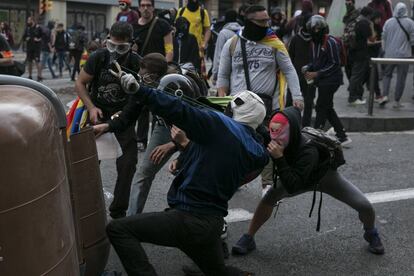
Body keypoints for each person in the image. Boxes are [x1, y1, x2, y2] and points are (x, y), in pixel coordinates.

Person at [95, 72, 268, 274]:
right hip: (211, 223)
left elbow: (179, 108)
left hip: (189, 218)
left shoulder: (220, 126)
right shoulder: (257, 150)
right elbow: (215, 154)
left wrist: (141, 91)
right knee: (217, 272)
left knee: (118, 229)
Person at [232, 107, 385, 256]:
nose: (274, 137)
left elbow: (293, 186)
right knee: (269, 197)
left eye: (279, 132)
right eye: (272, 131)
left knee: (365, 206)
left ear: (291, 131)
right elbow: (257, 129)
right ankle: (249, 237)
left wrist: (279, 158)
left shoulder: (308, 150)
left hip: (324, 178)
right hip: (295, 175)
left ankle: (371, 233)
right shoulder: (276, 137)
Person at [217, 5, 303, 197]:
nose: (267, 25)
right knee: (235, 145)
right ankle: (233, 178)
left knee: (268, 142)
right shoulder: (231, 44)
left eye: (267, 21)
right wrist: (222, 98)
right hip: (238, 107)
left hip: (266, 106)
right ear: (249, 22)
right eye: (262, 22)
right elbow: (223, 76)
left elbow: (289, 70)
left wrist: (297, 96)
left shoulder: (275, 43)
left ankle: (267, 185)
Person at [75, 22, 140, 219]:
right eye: (112, 46)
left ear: (131, 45)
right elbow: (80, 83)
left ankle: (118, 212)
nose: (116, 52)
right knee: (89, 163)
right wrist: (91, 107)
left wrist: (120, 119)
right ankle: (85, 208)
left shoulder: (136, 62)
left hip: (123, 118)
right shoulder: (98, 57)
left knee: (128, 164)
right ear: (107, 40)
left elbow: (138, 100)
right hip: (98, 115)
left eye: (122, 48)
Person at [302, 15, 351, 145]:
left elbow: (335, 63)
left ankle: (316, 134)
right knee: (327, 107)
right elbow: (315, 61)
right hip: (322, 79)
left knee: (321, 106)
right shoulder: (314, 43)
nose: (315, 33)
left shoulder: (330, 42)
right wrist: (308, 67)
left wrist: (317, 73)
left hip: (332, 80)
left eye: (317, 30)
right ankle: (342, 136)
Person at [134, 0, 174, 152]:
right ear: (138, 8)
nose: (145, 8)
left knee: (157, 107)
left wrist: (163, 69)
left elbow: (169, 50)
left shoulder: (162, 25)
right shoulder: (134, 27)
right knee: (141, 106)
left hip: (158, 73)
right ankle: (140, 139)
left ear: (153, 7)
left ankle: (155, 141)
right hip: (140, 73)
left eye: (148, 5)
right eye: (143, 5)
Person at [380, 2, 414, 108]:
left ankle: (385, 95)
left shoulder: (388, 22)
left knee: (387, 75)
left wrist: (384, 50)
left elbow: (383, 37)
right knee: (401, 78)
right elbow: (413, 40)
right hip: (404, 56)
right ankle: (397, 101)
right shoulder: (410, 23)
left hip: (389, 54)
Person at [288, 13, 315, 127]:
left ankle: (301, 125)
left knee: (306, 102)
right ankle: (296, 124)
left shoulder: (314, 38)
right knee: (294, 102)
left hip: (305, 75)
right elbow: (290, 57)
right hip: (300, 76)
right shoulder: (297, 39)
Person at [348, 7, 375, 105]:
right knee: (357, 76)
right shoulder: (364, 23)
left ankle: (356, 96)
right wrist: (371, 26)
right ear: (368, 15)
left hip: (353, 52)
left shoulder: (356, 21)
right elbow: (372, 39)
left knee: (356, 75)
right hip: (361, 53)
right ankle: (353, 98)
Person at [176, 0, 211, 74]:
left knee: (197, 75)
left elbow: (207, 30)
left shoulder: (203, 12)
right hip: (182, 50)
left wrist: (204, 44)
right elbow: (176, 27)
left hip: (197, 51)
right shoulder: (181, 11)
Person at [211, 10, 241, 85]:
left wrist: (215, 74)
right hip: (239, 72)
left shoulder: (223, 33)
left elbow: (218, 54)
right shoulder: (242, 32)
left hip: (225, 71)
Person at [342, 0, 360, 81]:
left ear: (353, 3)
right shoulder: (347, 15)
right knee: (347, 69)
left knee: (353, 70)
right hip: (347, 46)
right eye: (346, 3)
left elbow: (354, 31)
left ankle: (354, 88)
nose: (347, 5)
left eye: (349, 3)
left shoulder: (356, 15)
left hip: (354, 46)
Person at [22, 16, 42, 81]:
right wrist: (26, 39)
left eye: (29, 20)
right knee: (29, 62)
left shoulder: (38, 27)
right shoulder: (27, 28)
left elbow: (43, 36)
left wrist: (38, 39)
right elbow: (23, 37)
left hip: (36, 48)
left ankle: (39, 76)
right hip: (29, 48)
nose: (28, 22)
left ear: (32, 21)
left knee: (37, 61)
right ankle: (30, 76)